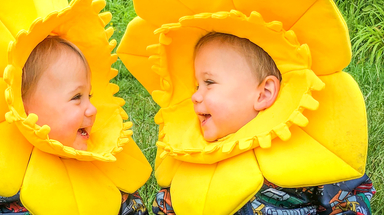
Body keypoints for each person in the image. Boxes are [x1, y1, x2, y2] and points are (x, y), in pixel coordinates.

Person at [151, 32, 375, 215]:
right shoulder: (192, 154)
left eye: (209, 82)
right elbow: (170, 203)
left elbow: (348, 199)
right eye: (196, 86)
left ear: (263, 93)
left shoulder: (303, 150)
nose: (195, 97)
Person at [0, 37, 148, 215]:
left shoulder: (102, 166)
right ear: (25, 110)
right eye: (77, 97)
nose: (92, 109)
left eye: (89, 96)